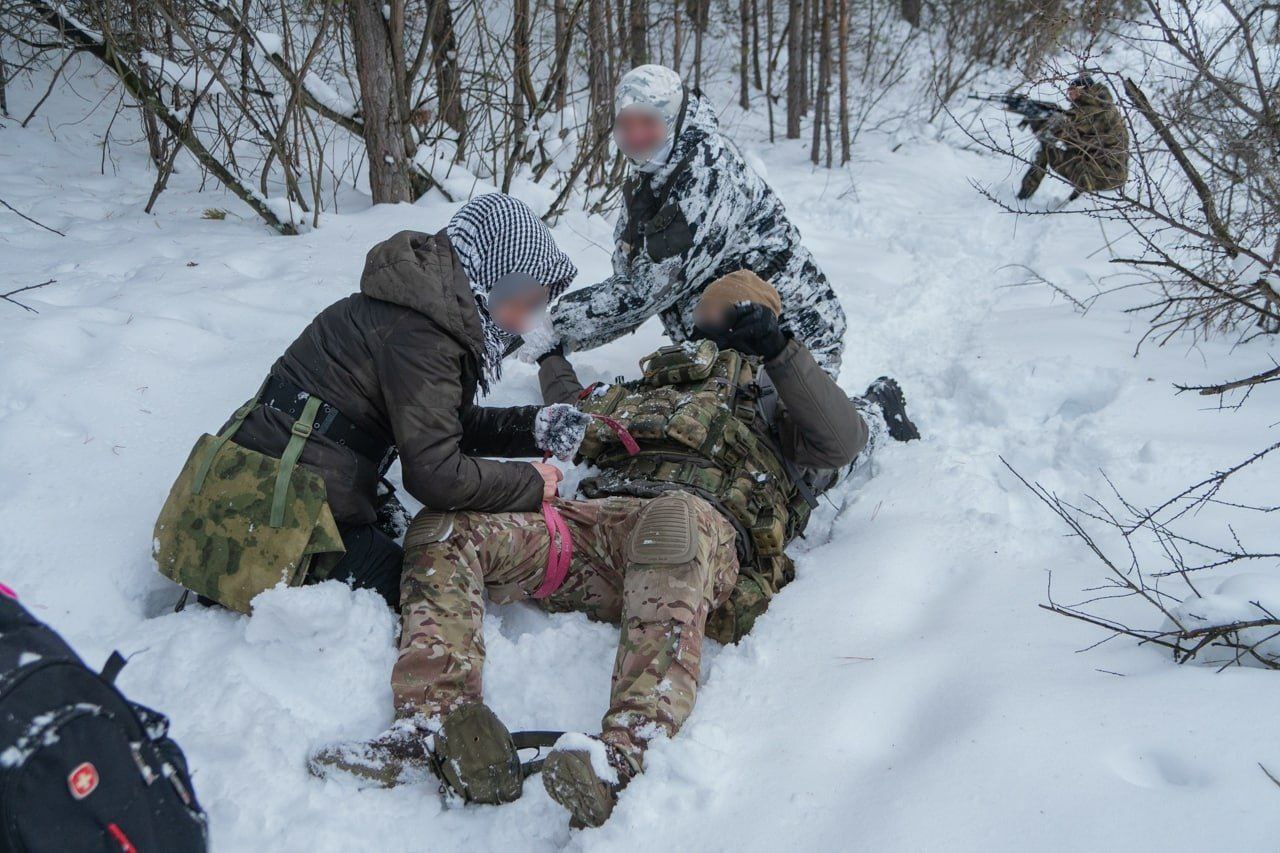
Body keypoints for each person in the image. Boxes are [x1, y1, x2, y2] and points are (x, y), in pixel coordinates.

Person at [309, 270, 919, 827]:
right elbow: (575, 409)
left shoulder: (775, 398)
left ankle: (624, 755)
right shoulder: (653, 383)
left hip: (694, 537)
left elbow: (842, 439)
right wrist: (550, 355)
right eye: (708, 314)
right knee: (446, 526)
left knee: (670, 520)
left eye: (732, 316)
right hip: (595, 533)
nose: (712, 326)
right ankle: (429, 724)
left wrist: (780, 351)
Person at [153, 194, 578, 610]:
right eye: (520, 300)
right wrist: (529, 481)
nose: (526, 319)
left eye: (537, 304)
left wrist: (533, 427)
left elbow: (442, 423)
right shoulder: (424, 334)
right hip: (280, 506)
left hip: (297, 479)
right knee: (431, 588)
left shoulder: (424, 311)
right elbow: (436, 474)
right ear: (485, 273)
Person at [519, 64, 848, 377]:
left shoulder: (707, 174)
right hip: (728, 342)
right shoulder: (651, 175)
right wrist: (562, 331)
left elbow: (648, 289)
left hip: (794, 344)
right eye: (625, 124)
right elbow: (630, 274)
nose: (635, 135)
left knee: (764, 432)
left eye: (647, 122)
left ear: (673, 118)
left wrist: (555, 326)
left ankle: (876, 413)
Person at [1017, 74, 1128, 202]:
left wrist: (1038, 122)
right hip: (1112, 175)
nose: (1070, 96)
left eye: (1074, 92)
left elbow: (1059, 132)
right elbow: (1076, 141)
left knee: (1046, 150)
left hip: (1102, 177)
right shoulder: (1103, 106)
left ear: (1084, 91)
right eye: (1069, 91)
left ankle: (1022, 198)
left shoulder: (1090, 111)